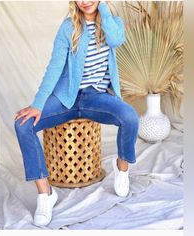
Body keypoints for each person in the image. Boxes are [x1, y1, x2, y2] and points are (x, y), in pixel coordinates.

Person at [14, 1, 139, 227]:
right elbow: (54, 68)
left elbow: (115, 40)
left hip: (97, 97)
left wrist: (103, 10)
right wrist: (37, 104)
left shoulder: (113, 23)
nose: (86, 1)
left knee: (130, 117)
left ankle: (122, 170)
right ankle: (45, 194)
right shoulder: (68, 27)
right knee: (23, 125)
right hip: (67, 98)